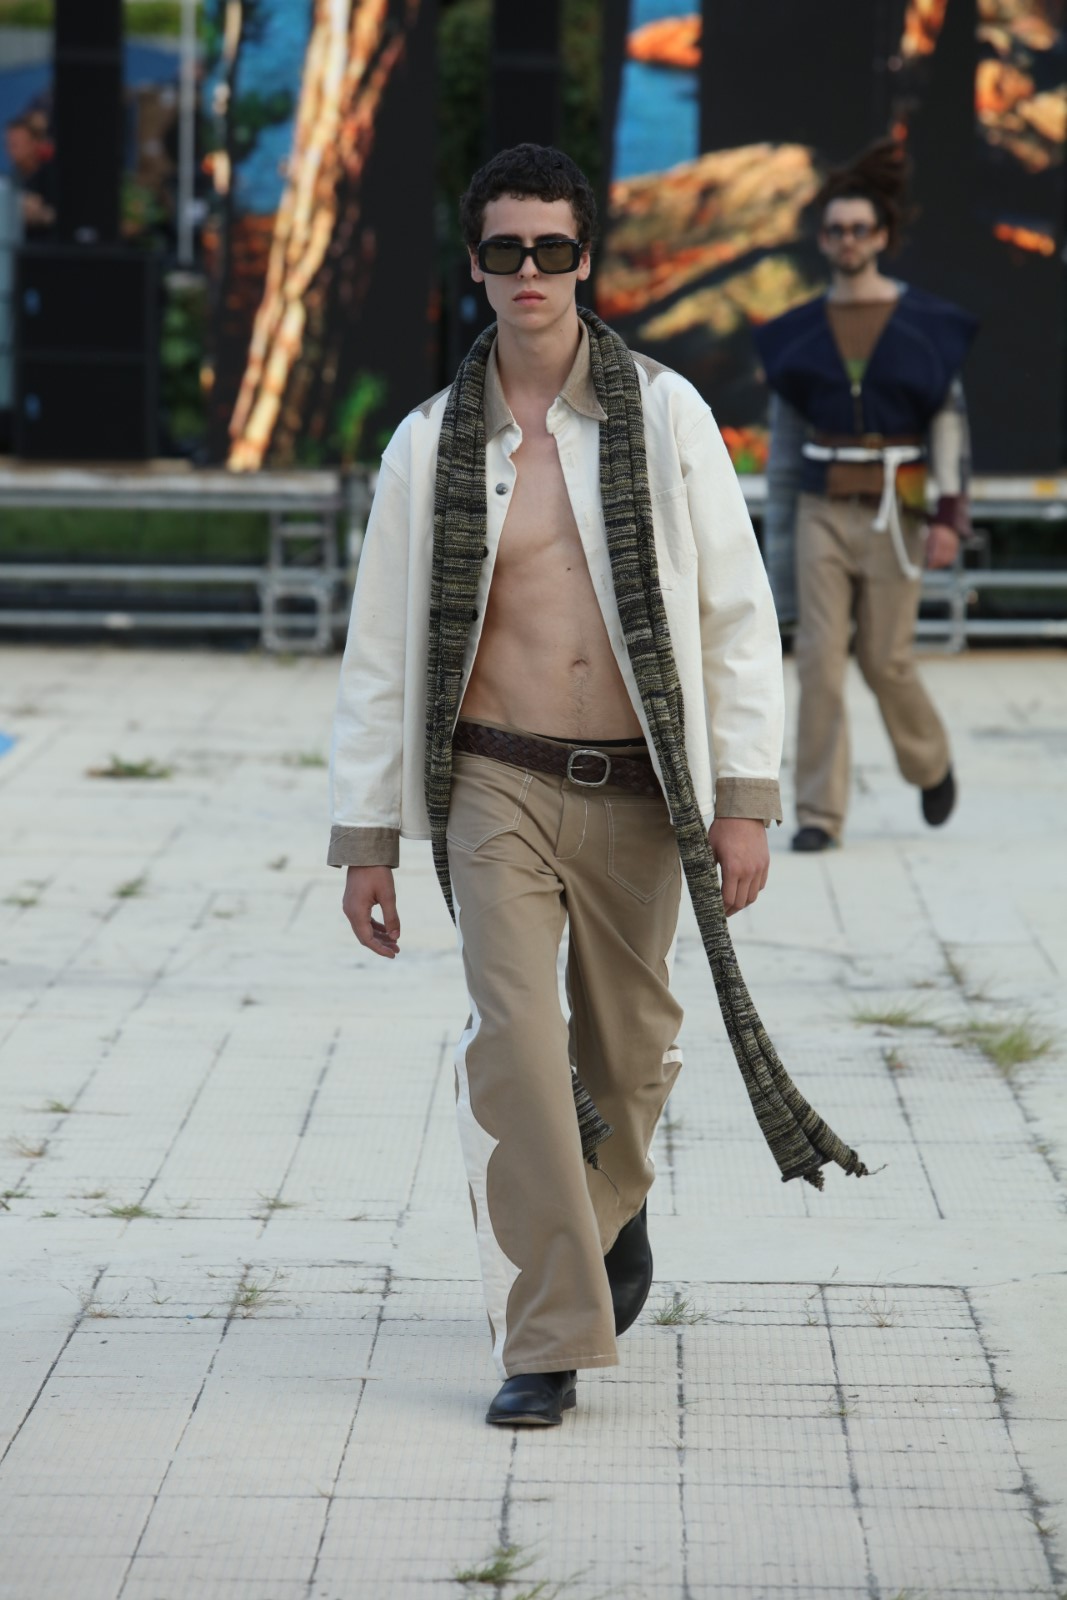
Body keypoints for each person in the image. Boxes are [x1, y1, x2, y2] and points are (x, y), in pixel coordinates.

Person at [329, 144, 866, 1428]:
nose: (529, 271)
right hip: (493, 781)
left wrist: (743, 796)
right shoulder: (426, 444)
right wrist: (367, 838)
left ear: (584, 261)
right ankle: (548, 1337)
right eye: (504, 249)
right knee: (517, 1049)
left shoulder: (666, 415)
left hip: (638, 789)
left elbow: (735, 613)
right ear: (475, 264)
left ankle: (604, 1211)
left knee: (625, 1058)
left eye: (552, 249)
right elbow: (380, 648)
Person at [755, 138, 978, 853]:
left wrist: (948, 516)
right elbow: (784, 448)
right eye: (835, 229)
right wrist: (779, 551)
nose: (847, 240)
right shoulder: (797, 337)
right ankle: (819, 814)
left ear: (881, 236)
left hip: (898, 503)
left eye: (859, 228)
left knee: (886, 659)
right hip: (821, 504)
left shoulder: (924, 326)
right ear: (823, 240)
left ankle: (929, 763)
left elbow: (948, 422)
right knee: (819, 660)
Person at [4, 113, 55, 237]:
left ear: (34, 144)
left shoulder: (53, 177)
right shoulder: (10, 180)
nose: (10, 149)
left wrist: (41, 214)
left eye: (16, 144)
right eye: (8, 144)